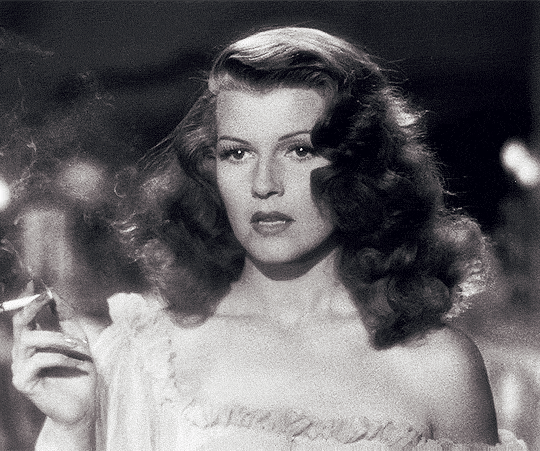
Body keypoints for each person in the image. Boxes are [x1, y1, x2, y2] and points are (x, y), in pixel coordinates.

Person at [10, 26, 527, 450]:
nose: (263, 184)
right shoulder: (143, 354)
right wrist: (75, 428)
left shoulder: (440, 369)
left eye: (299, 150)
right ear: (210, 168)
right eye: (237, 153)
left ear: (359, 163)